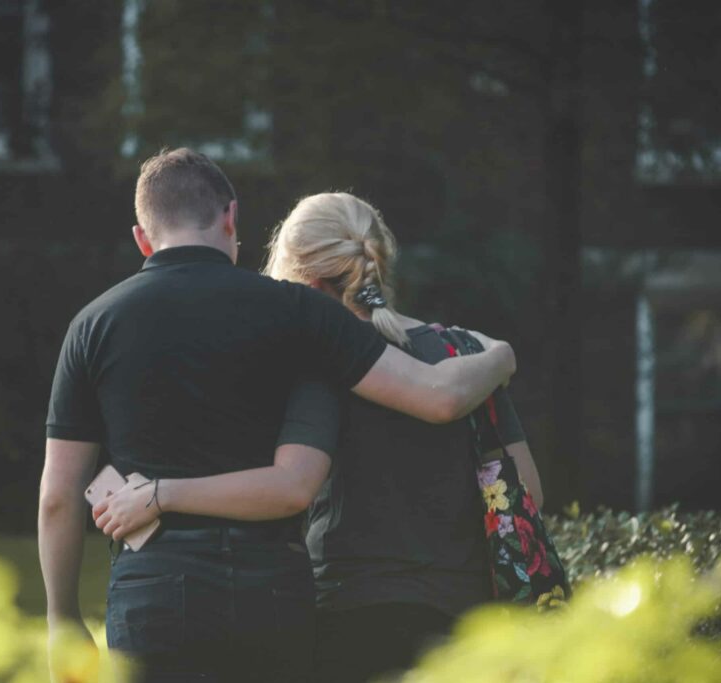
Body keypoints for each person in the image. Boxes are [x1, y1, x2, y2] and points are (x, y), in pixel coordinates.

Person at [39, 151, 516, 682]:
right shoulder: (297, 310)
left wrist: (62, 619)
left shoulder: (91, 325)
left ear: (142, 238)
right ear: (230, 218)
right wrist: (500, 355)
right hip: (270, 587)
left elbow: (59, 496)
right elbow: (436, 397)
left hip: (153, 586)